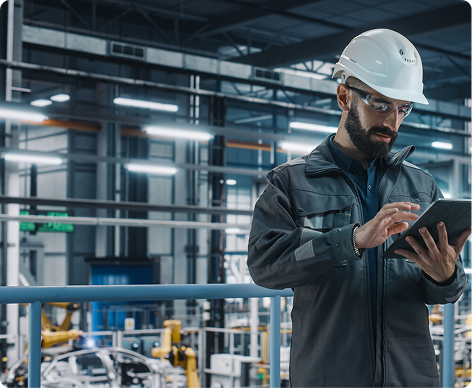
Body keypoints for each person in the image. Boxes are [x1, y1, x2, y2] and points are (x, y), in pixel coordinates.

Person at [247, 29, 472, 388]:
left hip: (411, 378)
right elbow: (264, 266)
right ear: (344, 97)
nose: (393, 122)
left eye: (403, 108)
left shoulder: (421, 186)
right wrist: (349, 240)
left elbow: (444, 291)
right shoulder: (290, 184)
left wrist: (444, 276)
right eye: (381, 104)